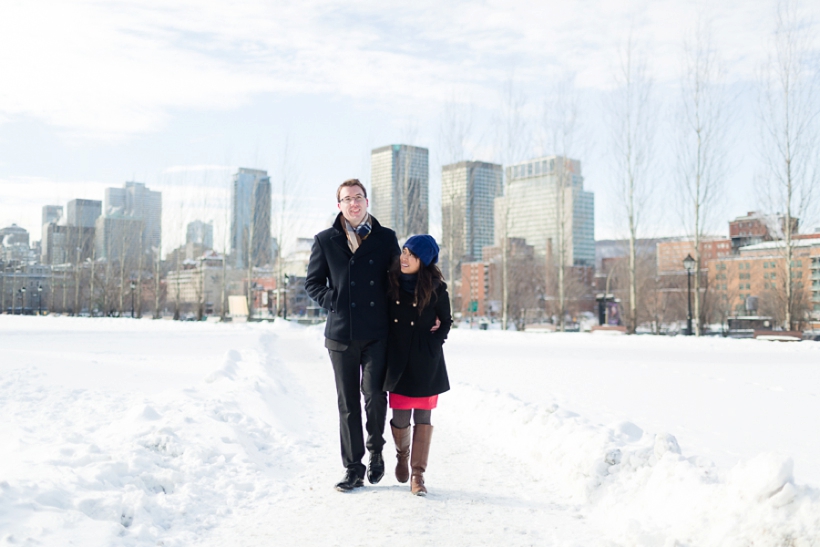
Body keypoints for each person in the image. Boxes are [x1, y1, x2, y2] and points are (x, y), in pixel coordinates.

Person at [305, 179, 400, 492]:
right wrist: (335, 300)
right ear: (339, 205)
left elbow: (398, 282)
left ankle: (375, 451)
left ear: (367, 201)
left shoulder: (386, 238)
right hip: (342, 333)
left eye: (358, 197)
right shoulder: (324, 240)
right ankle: (353, 468)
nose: (354, 203)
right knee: (347, 403)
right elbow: (313, 284)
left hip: (377, 331)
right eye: (347, 199)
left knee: (374, 394)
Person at [383, 235, 452, 496]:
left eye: (411, 254)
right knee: (400, 416)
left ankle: (418, 474)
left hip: (426, 361)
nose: (404, 257)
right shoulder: (391, 283)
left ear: (423, 260)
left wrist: (433, 344)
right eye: (403, 252)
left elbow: (445, 322)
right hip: (399, 359)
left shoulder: (436, 288)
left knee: (423, 417)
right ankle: (402, 455)